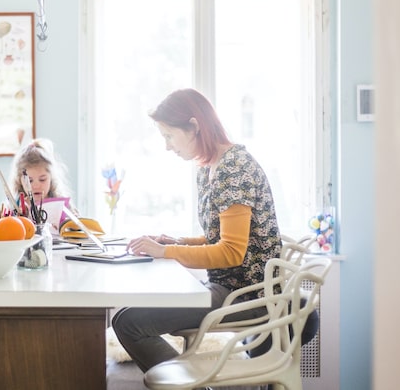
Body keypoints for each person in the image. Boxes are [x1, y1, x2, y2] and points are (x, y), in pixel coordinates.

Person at [111, 88, 283, 373]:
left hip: (247, 296)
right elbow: (218, 238)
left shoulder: (234, 169)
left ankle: (190, 384)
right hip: (228, 288)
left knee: (128, 323)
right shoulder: (209, 167)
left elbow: (231, 252)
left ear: (194, 126)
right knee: (126, 318)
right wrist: (173, 241)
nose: (167, 146)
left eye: (168, 136)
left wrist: (166, 251)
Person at [7, 138, 71, 205]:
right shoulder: (14, 206)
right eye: (29, 181)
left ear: (51, 178)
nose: (36, 186)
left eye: (42, 179)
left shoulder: (62, 204)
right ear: (19, 181)